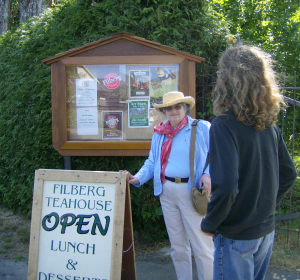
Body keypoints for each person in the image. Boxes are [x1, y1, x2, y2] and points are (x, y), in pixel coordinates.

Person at [200, 44, 298, 280]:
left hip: (236, 236)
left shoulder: (223, 124)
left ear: (227, 79)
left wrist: (210, 223)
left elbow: (226, 186)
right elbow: (289, 173)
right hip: (264, 231)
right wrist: (262, 208)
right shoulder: (268, 123)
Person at [121, 91, 214, 280]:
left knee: (202, 247)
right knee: (178, 247)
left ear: (185, 108)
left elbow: (220, 155)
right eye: (169, 108)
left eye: (177, 106)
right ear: (164, 111)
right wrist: (137, 178)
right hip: (167, 192)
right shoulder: (160, 132)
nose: (173, 111)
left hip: (193, 193)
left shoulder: (202, 127)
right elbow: (152, 161)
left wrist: (207, 174)